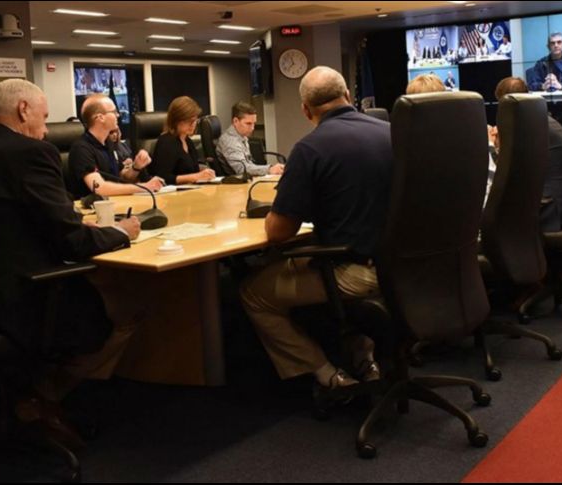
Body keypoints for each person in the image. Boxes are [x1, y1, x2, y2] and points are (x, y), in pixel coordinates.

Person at [0, 79, 142, 435]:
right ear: (23, 110)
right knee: (126, 310)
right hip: (22, 298)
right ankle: (42, 395)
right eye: (44, 118)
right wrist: (123, 231)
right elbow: (71, 240)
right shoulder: (30, 152)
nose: (45, 131)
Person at [240, 66, 393, 391]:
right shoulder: (392, 133)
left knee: (253, 293)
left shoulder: (310, 149)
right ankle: (365, 359)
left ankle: (328, 375)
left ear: (306, 110)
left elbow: (279, 232)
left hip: (356, 273)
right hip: (405, 265)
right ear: (349, 97)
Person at [494, 77, 562, 232]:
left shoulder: (526, 126)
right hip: (561, 206)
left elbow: (508, 172)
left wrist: (497, 145)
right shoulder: (541, 120)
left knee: (491, 217)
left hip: (551, 212)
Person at [67, 94, 163, 199]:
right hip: (92, 210)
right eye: (113, 112)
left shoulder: (108, 143)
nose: (117, 115)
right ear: (100, 118)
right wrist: (145, 187)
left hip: (115, 203)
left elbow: (121, 177)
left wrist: (136, 167)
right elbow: (99, 188)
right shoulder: (81, 149)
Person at [149, 96, 216, 185]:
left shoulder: (188, 141)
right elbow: (163, 177)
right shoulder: (166, 142)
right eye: (189, 121)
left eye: (195, 120)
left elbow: (193, 170)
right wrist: (196, 176)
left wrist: (205, 172)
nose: (193, 124)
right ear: (177, 120)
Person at [528, 32, 562, 137]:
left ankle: (560, 141)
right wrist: (542, 86)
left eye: (559, 42)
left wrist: (561, 86)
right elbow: (531, 84)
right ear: (548, 46)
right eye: (552, 43)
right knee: (535, 120)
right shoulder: (540, 64)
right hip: (547, 108)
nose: (556, 45)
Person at [216, 101, 284, 177]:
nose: (252, 128)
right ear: (235, 121)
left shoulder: (241, 136)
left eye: (254, 123)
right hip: (236, 185)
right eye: (248, 123)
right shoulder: (230, 141)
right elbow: (242, 169)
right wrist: (269, 169)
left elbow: (249, 164)